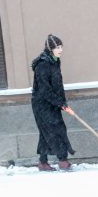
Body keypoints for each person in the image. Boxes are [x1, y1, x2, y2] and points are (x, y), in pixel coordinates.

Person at [31, 34, 75, 171]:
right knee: (56, 130)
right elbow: (45, 90)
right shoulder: (42, 65)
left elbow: (57, 86)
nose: (60, 50)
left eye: (61, 46)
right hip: (42, 104)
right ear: (50, 48)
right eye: (57, 47)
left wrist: (63, 102)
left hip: (53, 103)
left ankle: (43, 163)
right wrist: (60, 103)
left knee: (46, 132)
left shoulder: (55, 61)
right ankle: (63, 160)